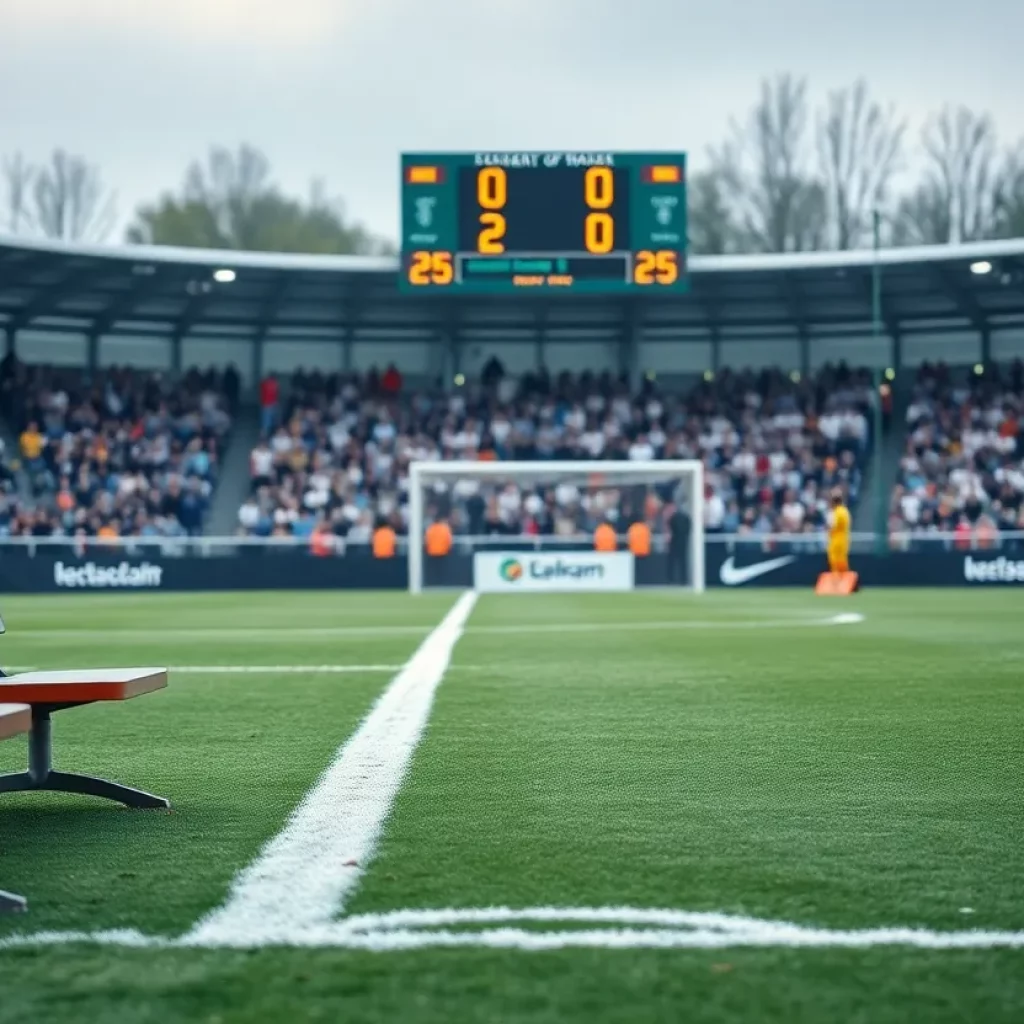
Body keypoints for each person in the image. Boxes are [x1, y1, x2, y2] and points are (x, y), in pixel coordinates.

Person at [827, 488, 851, 575]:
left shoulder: (836, 512)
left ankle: (837, 579)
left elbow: (832, 526)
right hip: (844, 540)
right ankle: (845, 577)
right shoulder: (845, 511)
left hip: (836, 541)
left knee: (835, 561)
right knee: (843, 561)